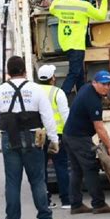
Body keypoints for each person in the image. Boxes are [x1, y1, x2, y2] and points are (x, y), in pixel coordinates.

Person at [0, 56, 63, 219]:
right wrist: (54, 139)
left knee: (12, 182)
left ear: (8, 72)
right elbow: (47, 116)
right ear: (24, 71)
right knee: (37, 180)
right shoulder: (36, 89)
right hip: (33, 137)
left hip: (8, 138)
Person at [63, 70, 110, 215]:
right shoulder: (92, 100)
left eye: (109, 84)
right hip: (78, 138)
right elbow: (99, 127)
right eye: (103, 84)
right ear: (94, 83)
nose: (107, 87)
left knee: (77, 170)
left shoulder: (87, 89)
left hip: (69, 135)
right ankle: (98, 204)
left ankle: (76, 204)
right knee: (91, 168)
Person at [49, 0, 109, 96]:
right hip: (77, 44)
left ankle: (82, 97)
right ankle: (60, 97)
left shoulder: (59, 5)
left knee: (79, 74)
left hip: (65, 43)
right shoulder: (84, 6)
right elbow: (101, 16)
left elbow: (51, 8)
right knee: (74, 73)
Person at [37, 64, 71, 209]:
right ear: (52, 78)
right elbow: (65, 115)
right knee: (61, 167)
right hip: (57, 135)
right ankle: (66, 200)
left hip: (39, 136)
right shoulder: (58, 92)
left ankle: (47, 201)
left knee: (41, 169)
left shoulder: (34, 92)